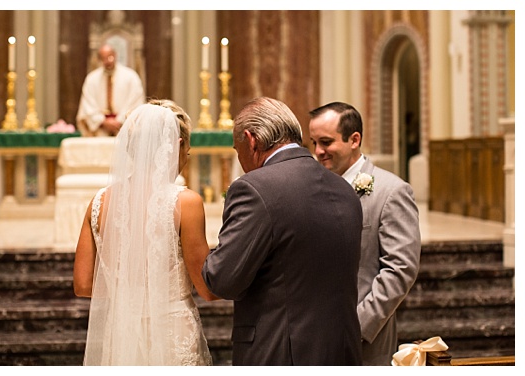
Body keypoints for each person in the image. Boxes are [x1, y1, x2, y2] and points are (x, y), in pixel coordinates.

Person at [202, 97, 363, 366]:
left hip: (280, 353)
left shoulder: (253, 188)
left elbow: (223, 280)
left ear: (251, 139)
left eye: (236, 149)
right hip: (342, 352)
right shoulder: (344, 189)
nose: (240, 159)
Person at [74, 100, 217, 365]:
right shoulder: (186, 202)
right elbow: (206, 287)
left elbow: (83, 285)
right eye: (187, 148)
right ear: (175, 145)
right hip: (173, 330)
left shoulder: (99, 202)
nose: (188, 156)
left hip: (122, 330)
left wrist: (131, 293)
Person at [308, 102, 421, 365]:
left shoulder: (392, 191)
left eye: (325, 142)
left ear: (354, 139)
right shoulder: (311, 187)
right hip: (312, 336)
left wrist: (354, 328)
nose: (318, 152)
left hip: (363, 341)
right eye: (313, 143)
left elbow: (400, 269)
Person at [76, 44, 145, 137]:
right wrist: (102, 121)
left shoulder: (131, 77)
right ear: (99, 59)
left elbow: (135, 102)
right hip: (100, 131)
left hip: (125, 130)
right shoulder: (91, 79)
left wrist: (120, 120)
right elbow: (88, 105)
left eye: (110, 56)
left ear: (115, 55)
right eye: (103, 58)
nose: (108, 61)